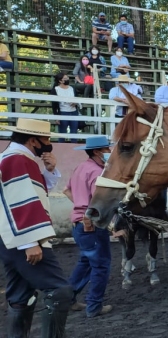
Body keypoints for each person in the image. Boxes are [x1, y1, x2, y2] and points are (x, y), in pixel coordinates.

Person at [0, 118, 78, 338]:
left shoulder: (14, 159)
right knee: (59, 290)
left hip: (12, 240)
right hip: (25, 238)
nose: (49, 145)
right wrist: (31, 241)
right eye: (45, 141)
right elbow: (22, 202)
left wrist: (49, 171)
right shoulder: (18, 161)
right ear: (32, 140)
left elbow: (34, 192)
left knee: (21, 295)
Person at [63, 136, 114, 318]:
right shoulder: (98, 173)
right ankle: (94, 306)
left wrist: (80, 207)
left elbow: (66, 190)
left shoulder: (81, 168)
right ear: (97, 152)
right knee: (101, 265)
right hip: (91, 226)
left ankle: (68, 299)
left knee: (86, 263)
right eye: (107, 149)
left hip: (79, 225)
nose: (110, 152)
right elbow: (99, 202)